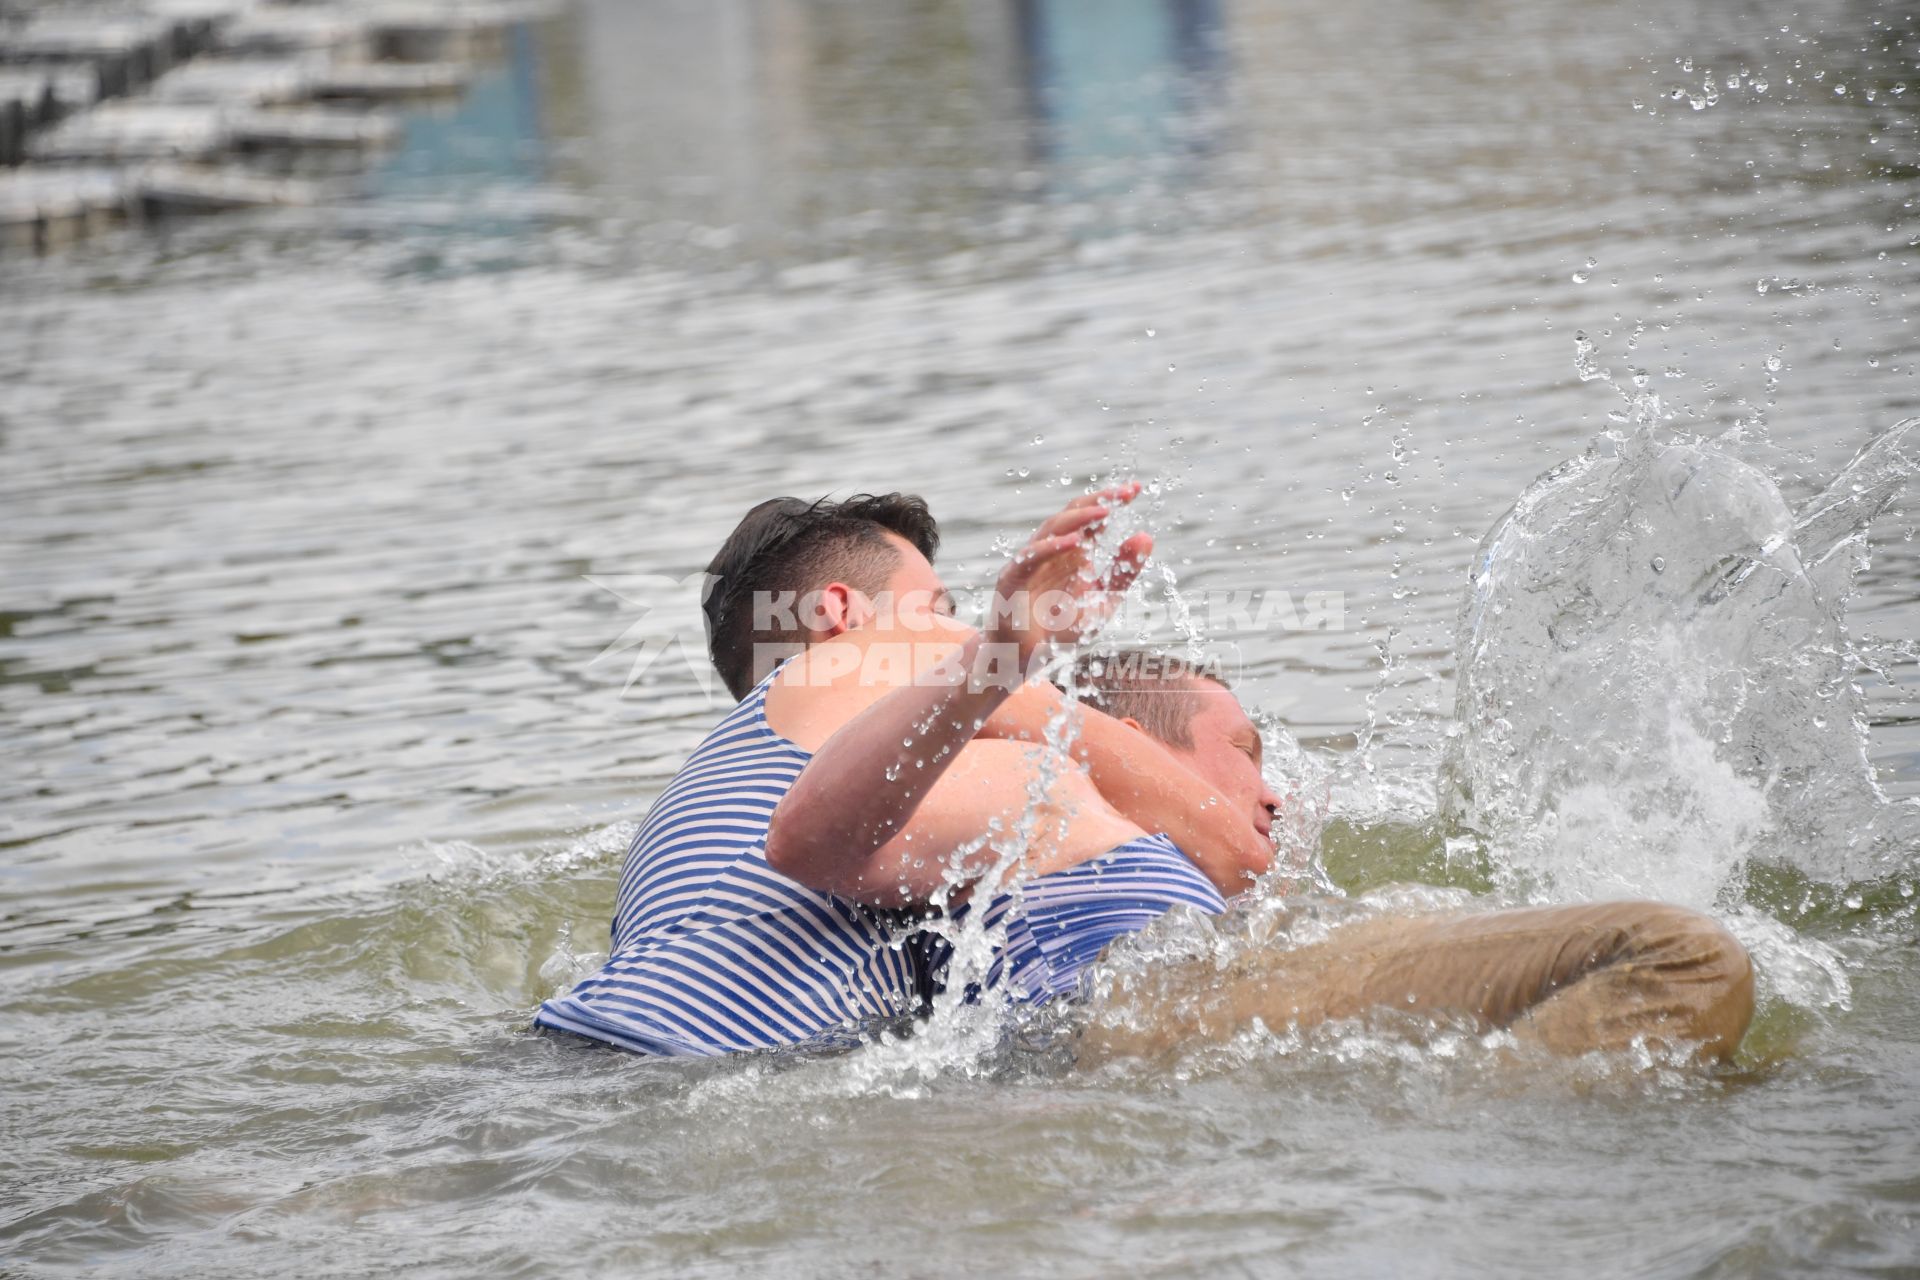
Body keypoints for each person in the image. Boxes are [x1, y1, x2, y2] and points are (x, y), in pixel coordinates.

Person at [535, 487, 1266, 1055]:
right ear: (841, 614)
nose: (958, 631)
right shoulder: (873, 655)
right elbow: (1226, 845)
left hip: (582, 1061)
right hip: (676, 1059)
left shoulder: (714, 784)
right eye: (939, 610)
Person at [1060, 653, 1756, 1063]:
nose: (1274, 796)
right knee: (1680, 957)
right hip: (1171, 1002)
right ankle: (1488, 1160)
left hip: (1192, 998)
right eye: (1244, 753)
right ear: (1133, 754)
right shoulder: (1067, 827)